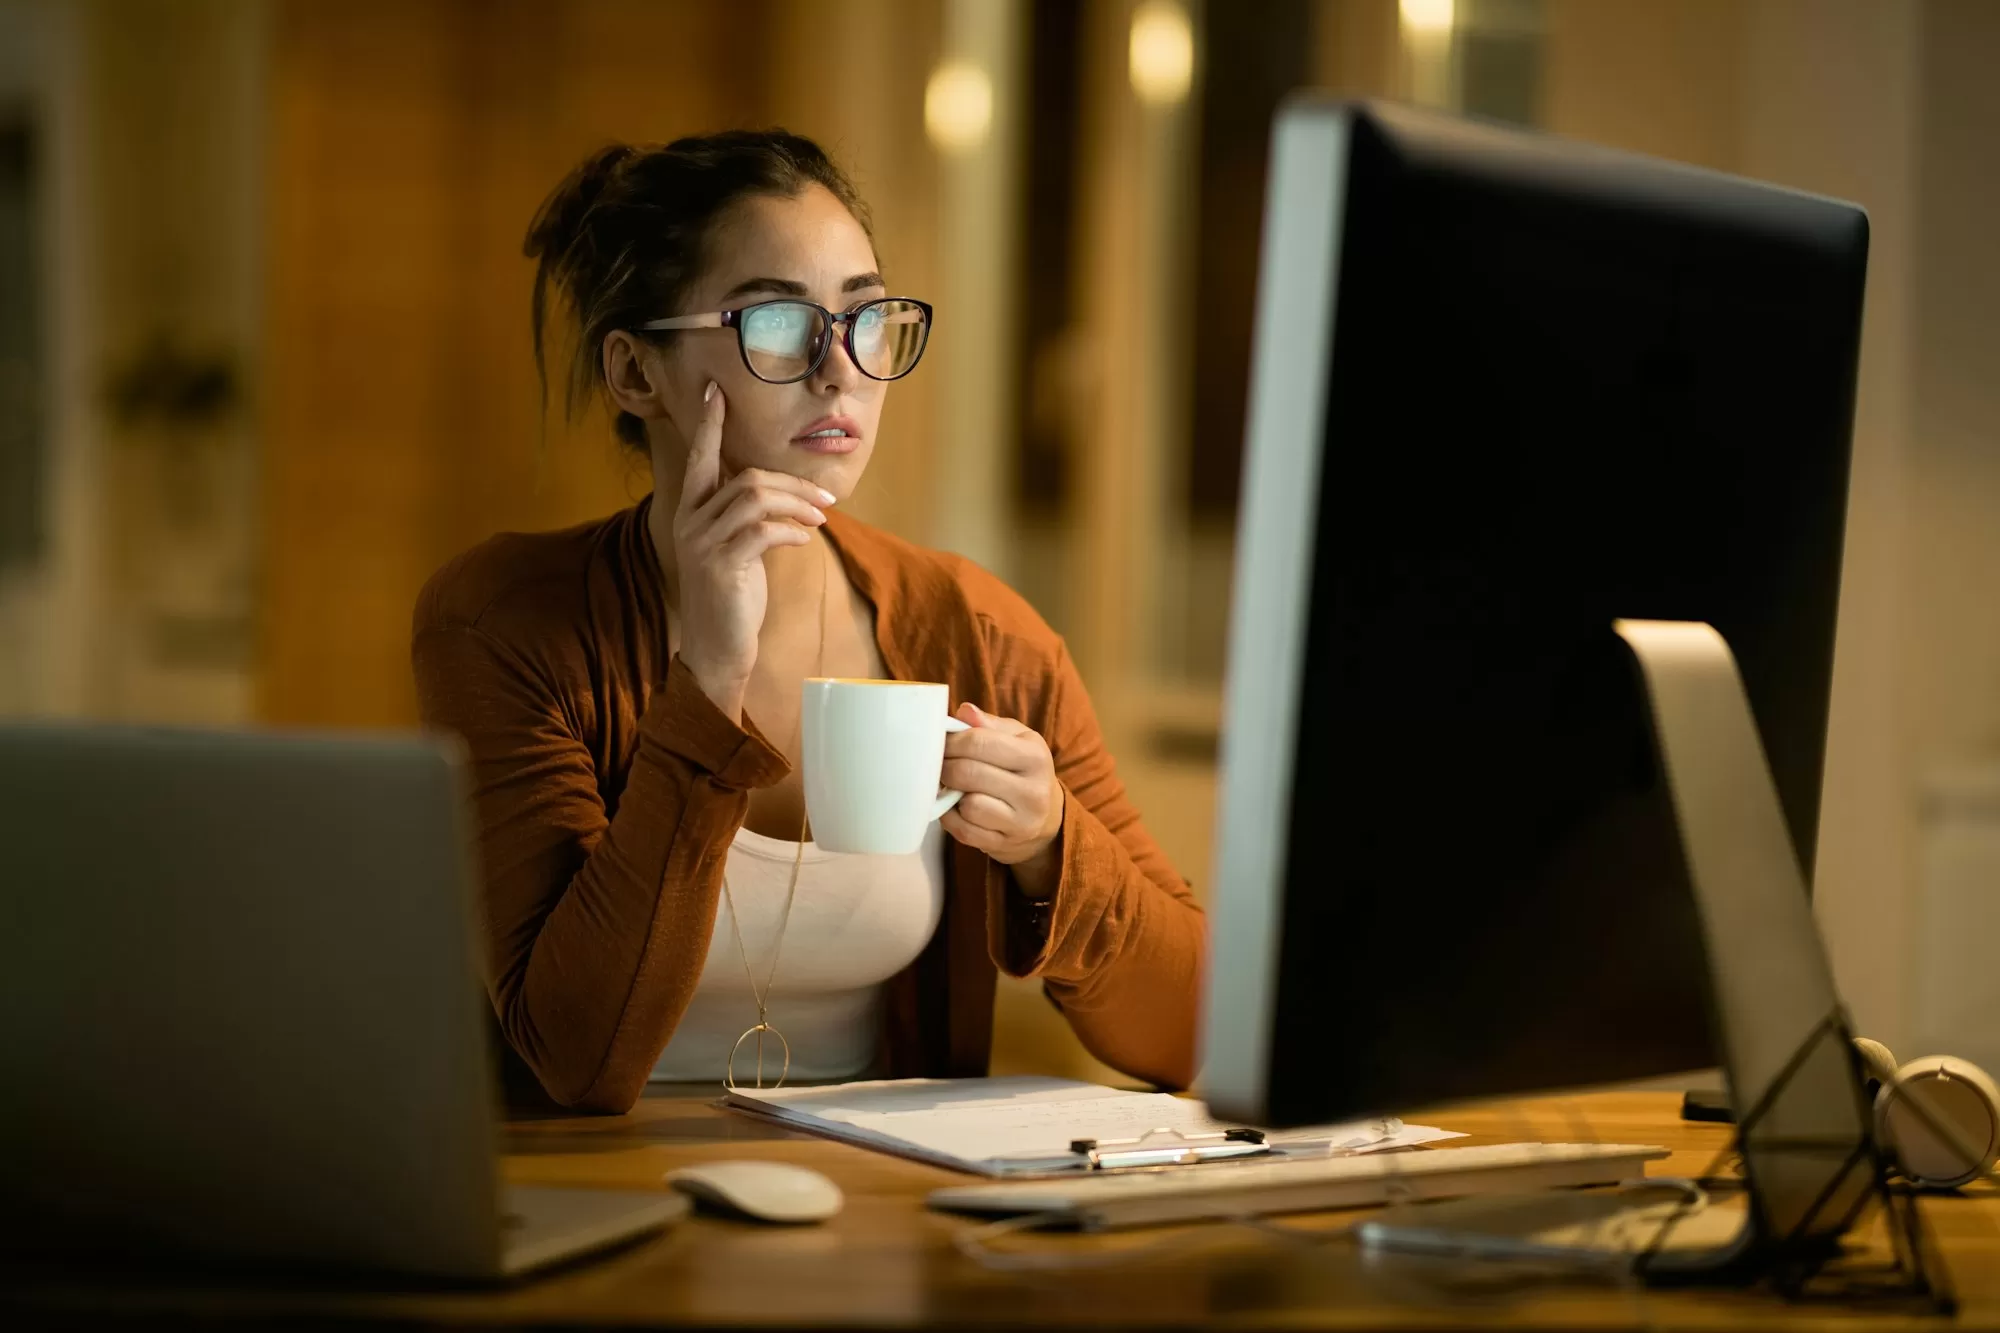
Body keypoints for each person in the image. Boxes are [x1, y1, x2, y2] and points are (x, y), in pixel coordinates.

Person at [412, 130, 1203, 1114]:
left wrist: (1050, 844)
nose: (841, 371)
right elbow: (573, 1056)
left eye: (866, 317)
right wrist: (705, 680)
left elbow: (1192, 1032)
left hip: (879, 1202)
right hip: (595, 1200)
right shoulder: (504, 620)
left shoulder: (977, 630)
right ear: (634, 373)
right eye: (779, 323)